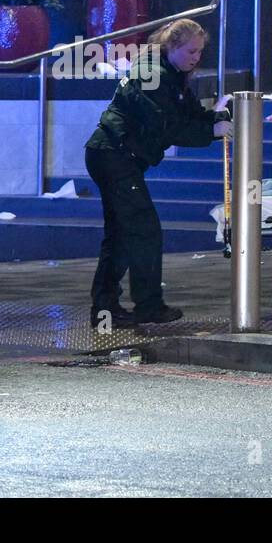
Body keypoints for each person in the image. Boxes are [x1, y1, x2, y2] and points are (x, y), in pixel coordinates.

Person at [84, 19, 232, 327]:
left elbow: (187, 114)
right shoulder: (152, 73)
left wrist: (217, 118)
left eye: (200, 52)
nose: (196, 58)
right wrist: (212, 131)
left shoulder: (169, 74)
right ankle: (147, 306)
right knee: (144, 230)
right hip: (114, 156)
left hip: (113, 155)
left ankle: (105, 309)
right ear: (173, 47)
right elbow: (167, 124)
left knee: (122, 235)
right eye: (191, 51)